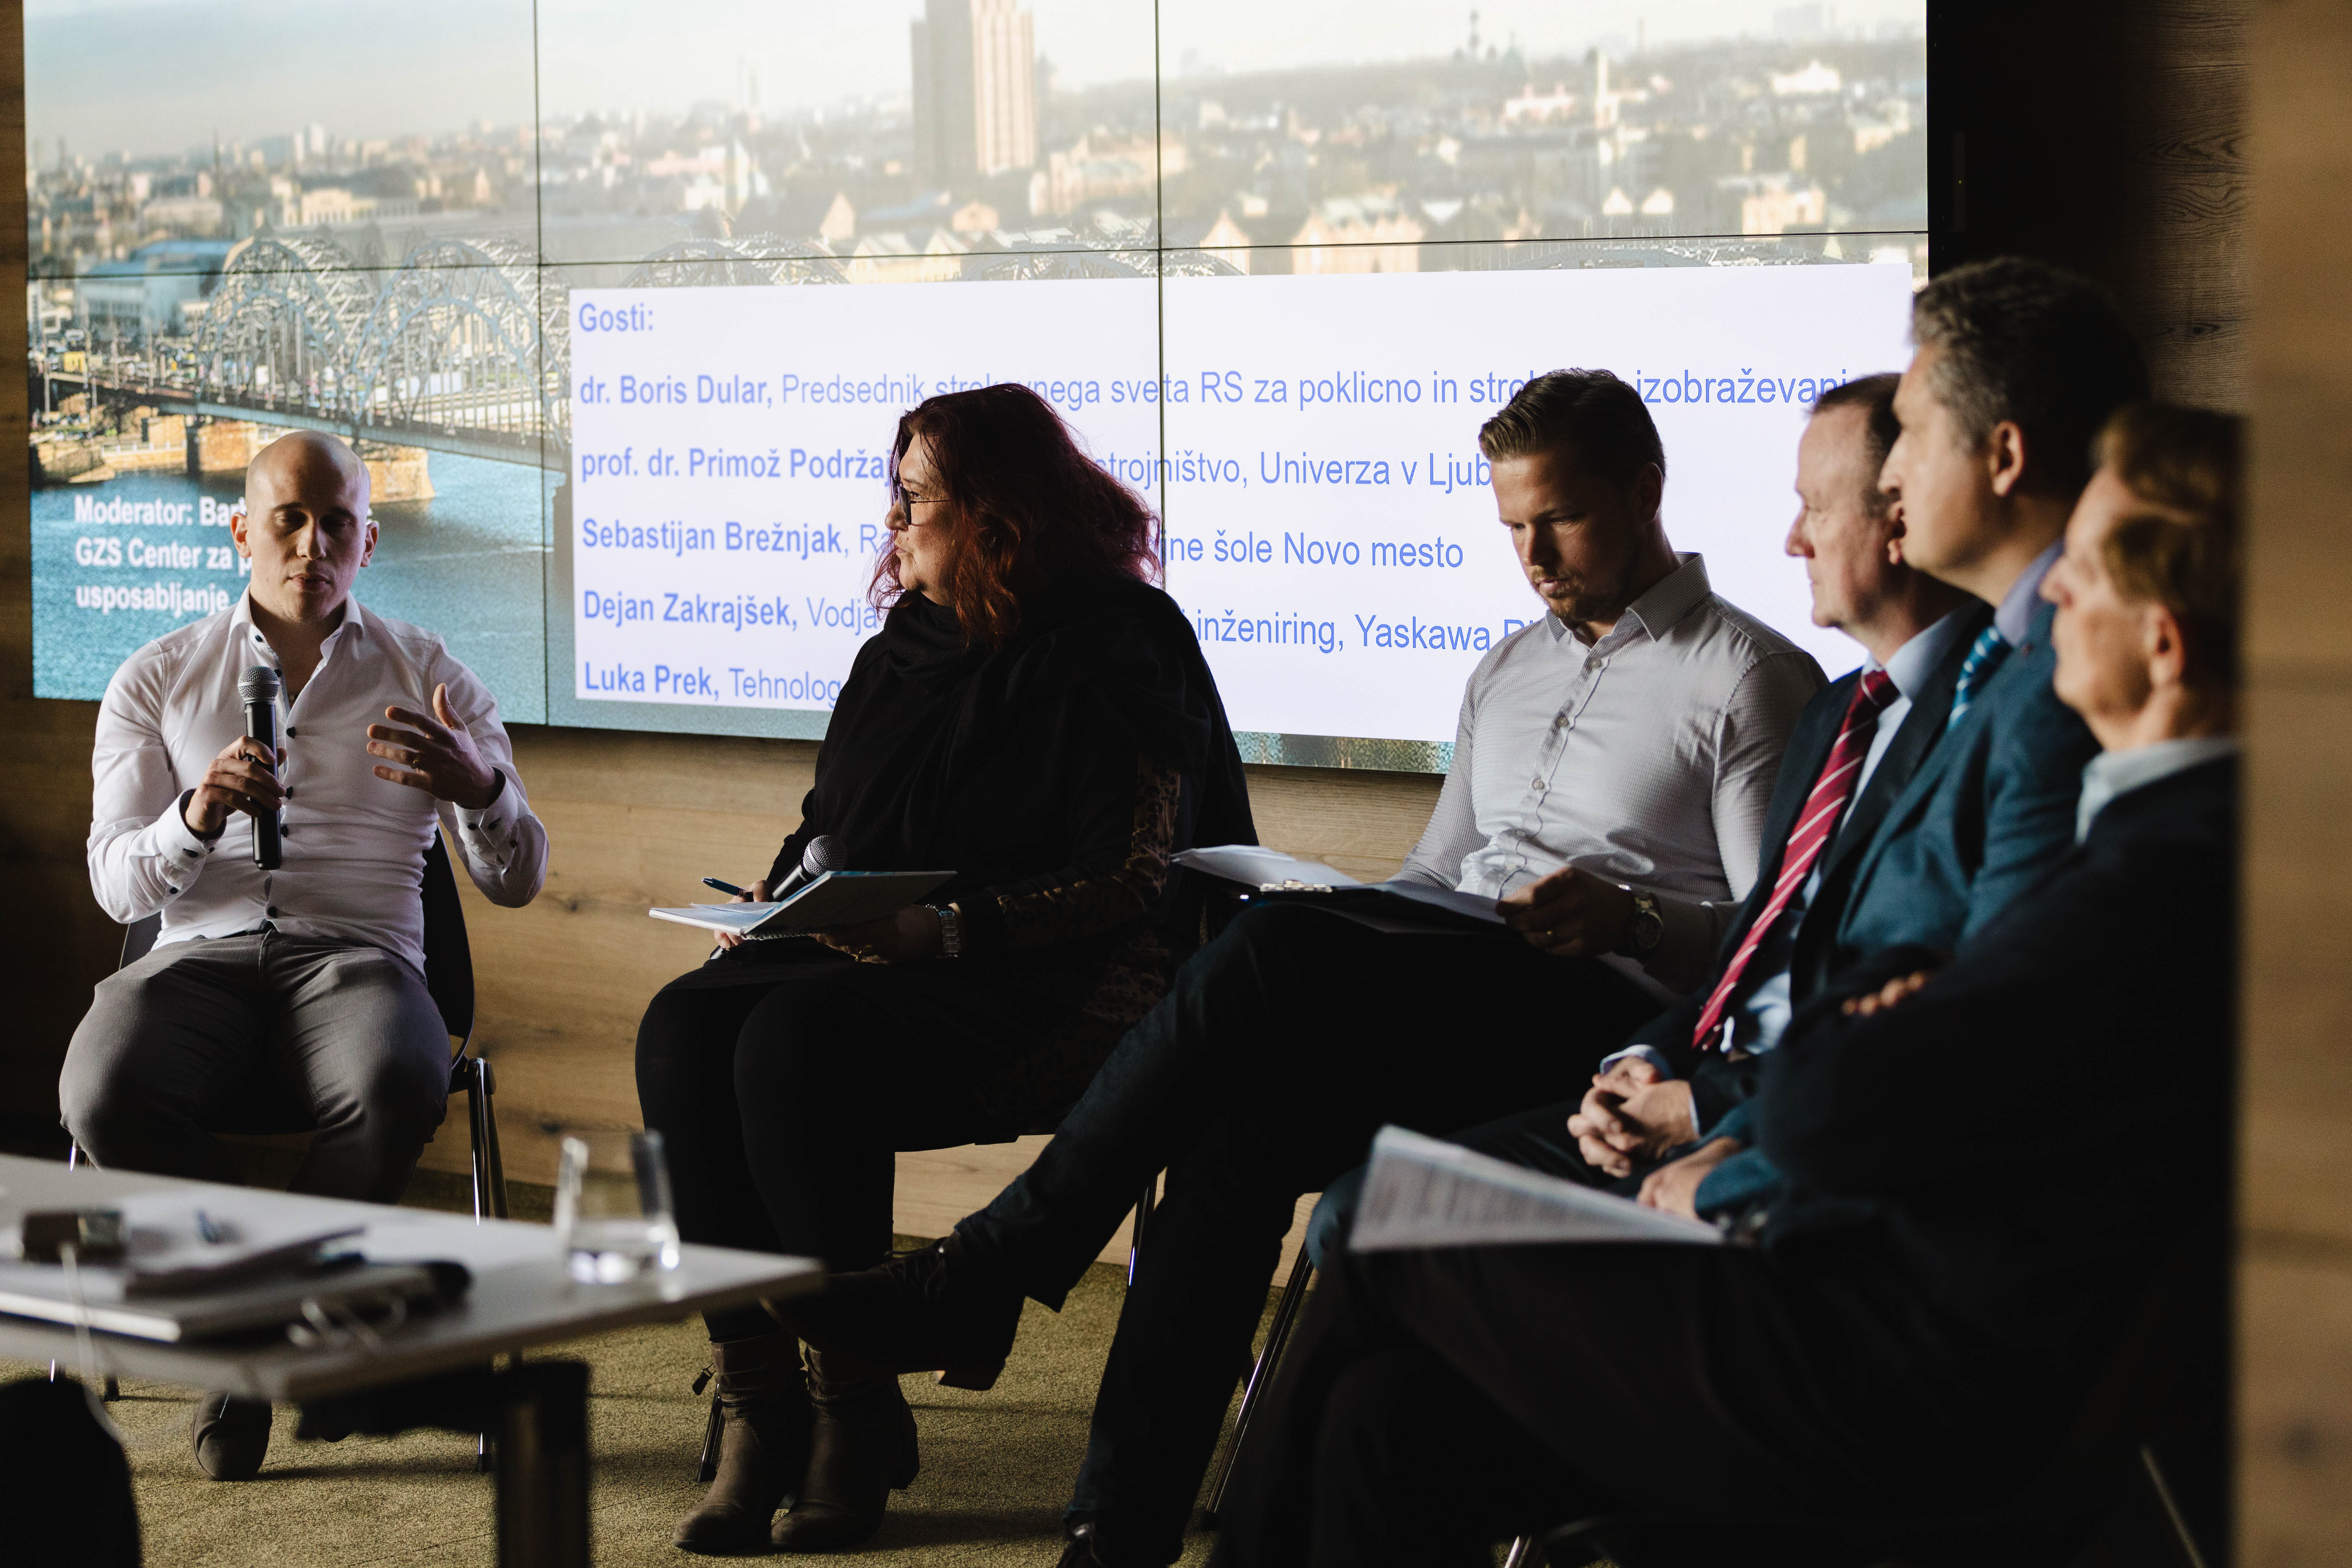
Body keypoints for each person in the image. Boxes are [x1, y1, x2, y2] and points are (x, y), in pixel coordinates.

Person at [796, 369, 1827, 1568]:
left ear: (1645, 490)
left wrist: (1636, 921)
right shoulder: (1507, 670)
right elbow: (1436, 875)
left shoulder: (1748, 676)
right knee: (1232, 1137)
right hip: (1457, 981)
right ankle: (1111, 1536)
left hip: (1604, 1022)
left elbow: (1774, 945)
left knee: (1278, 951)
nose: (1534, 554)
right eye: (1511, 528)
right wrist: (1344, 912)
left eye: (1563, 519)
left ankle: (987, 1269)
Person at [1208, 399, 2244, 1568]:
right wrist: (1847, 1039)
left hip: (1891, 1360)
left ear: (2163, 642)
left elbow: (1842, 1089)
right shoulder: (2133, 832)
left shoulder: (2160, 866)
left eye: (2082, 574)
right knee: (1386, 1414)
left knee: (1387, 1230)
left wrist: (1759, 1128)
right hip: (1854, 1283)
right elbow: (1859, 1014)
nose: (2046, 600)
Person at [1346, 257, 2139, 1224]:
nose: (1794, 539)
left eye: (1913, 445)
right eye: (1515, 526)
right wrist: (1649, 1064)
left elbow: (1949, 1018)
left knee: (1365, 1198)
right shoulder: (1851, 709)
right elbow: (1774, 943)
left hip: (1792, 1149)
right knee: (1281, 1112)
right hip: (1682, 1074)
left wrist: (1722, 1130)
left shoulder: (2023, 689)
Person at [632, 383, 1254, 1555]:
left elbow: (1136, 879)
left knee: (794, 1044)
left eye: (917, 499)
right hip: (883, 958)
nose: (895, 525)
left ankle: (851, 1403)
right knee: (681, 1028)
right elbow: (832, 825)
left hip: (1066, 985)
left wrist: (947, 931)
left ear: (999, 515)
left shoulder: (1125, 644)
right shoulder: (899, 649)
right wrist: (775, 905)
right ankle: (762, 1406)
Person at [63, 429, 550, 1481]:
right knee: (98, 1089)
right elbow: (117, 881)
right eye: (288, 518)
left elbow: (519, 878)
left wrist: (483, 790)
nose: (311, 543)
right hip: (196, 956)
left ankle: (241, 1355)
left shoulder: (431, 673)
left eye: (338, 523)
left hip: (362, 960)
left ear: (368, 542)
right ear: (243, 528)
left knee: (393, 1080)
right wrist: (193, 817)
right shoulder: (158, 680)